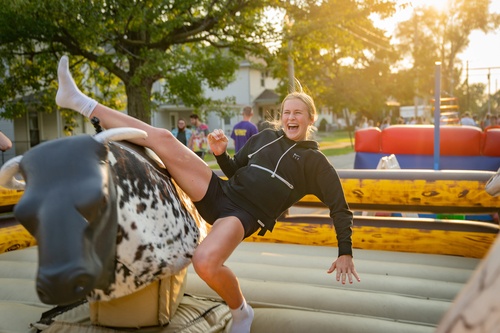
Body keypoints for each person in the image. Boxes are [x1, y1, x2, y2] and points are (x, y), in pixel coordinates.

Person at [55, 56, 360, 333]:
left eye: (298, 113)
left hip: (243, 214)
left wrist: (344, 250)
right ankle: (82, 103)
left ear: (310, 119)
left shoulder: (315, 162)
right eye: (287, 112)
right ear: (281, 116)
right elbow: (235, 170)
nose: (291, 117)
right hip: (221, 191)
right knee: (161, 137)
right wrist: (221, 154)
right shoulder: (264, 137)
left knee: (205, 262)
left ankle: (241, 311)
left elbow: (339, 207)